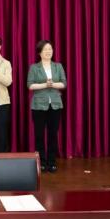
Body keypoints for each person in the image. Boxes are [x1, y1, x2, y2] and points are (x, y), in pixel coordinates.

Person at [27, 40, 67, 173]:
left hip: (55, 104)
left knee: (53, 134)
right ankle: (41, 162)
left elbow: (64, 83)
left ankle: (52, 162)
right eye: (45, 49)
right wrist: (45, 84)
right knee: (39, 135)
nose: (48, 51)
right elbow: (30, 85)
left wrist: (53, 84)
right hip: (38, 105)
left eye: (50, 49)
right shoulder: (34, 67)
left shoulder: (58, 66)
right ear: (39, 52)